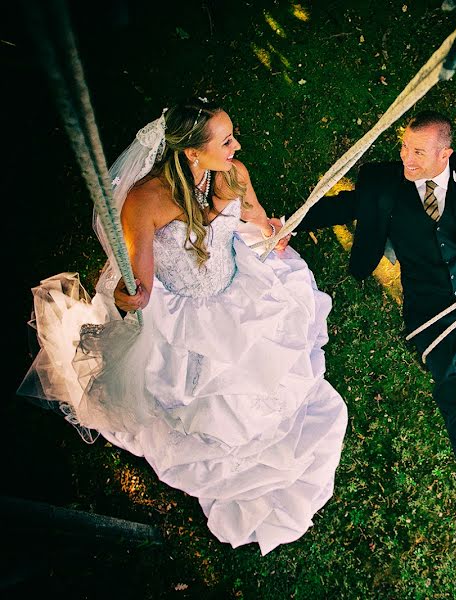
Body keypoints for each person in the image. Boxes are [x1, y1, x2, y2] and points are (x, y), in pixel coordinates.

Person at [18, 99, 348, 556]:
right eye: (226, 140)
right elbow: (143, 282)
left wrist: (270, 226)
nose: (238, 145)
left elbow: (253, 214)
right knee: (203, 399)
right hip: (185, 314)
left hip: (235, 283)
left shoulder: (232, 173)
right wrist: (128, 297)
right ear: (193, 152)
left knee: (272, 366)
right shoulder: (144, 201)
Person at [298, 110, 456, 567]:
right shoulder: (385, 183)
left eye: (417, 152)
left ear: (445, 154)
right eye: (403, 146)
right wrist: (292, 224)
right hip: (434, 319)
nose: (405, 157)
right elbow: (342, 208)